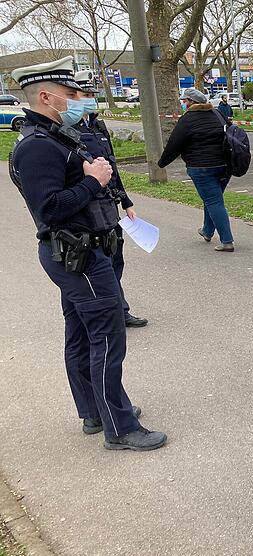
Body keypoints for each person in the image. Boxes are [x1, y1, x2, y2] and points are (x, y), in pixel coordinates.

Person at [9, 56, 166, 450]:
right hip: (77, 257)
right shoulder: (36, 147)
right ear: (46, 97)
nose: (79, 100)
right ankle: (121, 427)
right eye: (71, 94)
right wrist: (93, 182)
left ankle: (96, 412)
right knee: (107, 338)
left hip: (82, 253)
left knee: (81, 333)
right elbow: (49, 209)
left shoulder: (58, 137)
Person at [73, 70, 148, 328]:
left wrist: (126, 200)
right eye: (85, 94)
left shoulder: (98, 126)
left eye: (93, 94)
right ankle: (106, 313)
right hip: (87, 207)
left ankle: (119, 309)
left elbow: (112, 168)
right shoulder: (67, 129)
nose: (90, 99)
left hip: (110, 205)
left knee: (116, 259)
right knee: (97, 263)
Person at [159, 87, 234, 252]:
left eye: (185, 101)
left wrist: (161, 163)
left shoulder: (188, 120)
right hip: (225, 166)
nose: (183, 104)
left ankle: (227, 240)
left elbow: (174, 144)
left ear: (192, 102)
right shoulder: (217, 114)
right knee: (212, 198)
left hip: (202, 168)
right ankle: (207, 231)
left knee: (213, 201)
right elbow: (231, 132)